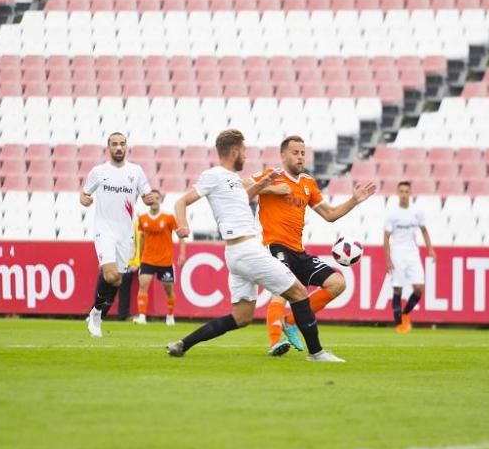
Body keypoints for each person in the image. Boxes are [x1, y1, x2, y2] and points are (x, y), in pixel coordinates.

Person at [166, 129, 343, 362]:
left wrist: (263, 185)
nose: (246, 157)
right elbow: (181, 201)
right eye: (244, 152)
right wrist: (183, 226)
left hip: (237, 253)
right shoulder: (214, 175)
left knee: (241, 317)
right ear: (234, 151)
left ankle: (183, 344)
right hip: (246, 250)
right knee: (299, 293)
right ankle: (316, 353)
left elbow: (240, 198)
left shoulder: (231, 180)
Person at [255, 136, 376, 356]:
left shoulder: (308, 183)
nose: (300, 156)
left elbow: (330, 215)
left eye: (302, 152)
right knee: (282, 291)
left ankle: (291, 321)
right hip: (274, 246)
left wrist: (354, 200)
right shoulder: (272, 176)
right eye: (295, 152)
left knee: (337, 283)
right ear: (283, 155)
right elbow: (244, 187)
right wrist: (271, 189)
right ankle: (275, 341)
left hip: (298, 251)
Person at [80, 132, 153, 337]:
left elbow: (146, 195)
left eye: (122, 144)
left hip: (125, 233)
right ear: (108, 147)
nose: (119, 148)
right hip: (104, 230)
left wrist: (149, 199)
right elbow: (84, 193)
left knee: (118, 280)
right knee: (110, 274)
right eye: (115, 144)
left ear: (126, 146)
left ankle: (97, 313)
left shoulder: (136, 171)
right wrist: (84, 200)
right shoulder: (98, 172)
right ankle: (96, 314)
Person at [383, 181, 436, 333]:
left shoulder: (417, 212)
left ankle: (405, 313)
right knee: (397, 288)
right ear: (397, 193)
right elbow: (386, 237)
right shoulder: (392, 214)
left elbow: (424, 230)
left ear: (410, 193)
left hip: (413, 253)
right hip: (397, 253)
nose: (404, 194)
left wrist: (430, 249)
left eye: (407, 191)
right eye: (402, 191)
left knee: (419, 289)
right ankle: (399, 324)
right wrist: (388, 259)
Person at [135, 189, 185, 326]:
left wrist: (182, 254)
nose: (154, 200)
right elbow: (142, 239)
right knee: (143, 285)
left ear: (160, 200)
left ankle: (170, 316)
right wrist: (139, 258)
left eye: (157, 198)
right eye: (152, 198)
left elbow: (181, 235)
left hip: (165, 260)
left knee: (168, 289)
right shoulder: (142, 218)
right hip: (148, 259)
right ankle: (141, 316)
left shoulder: (168, 217)